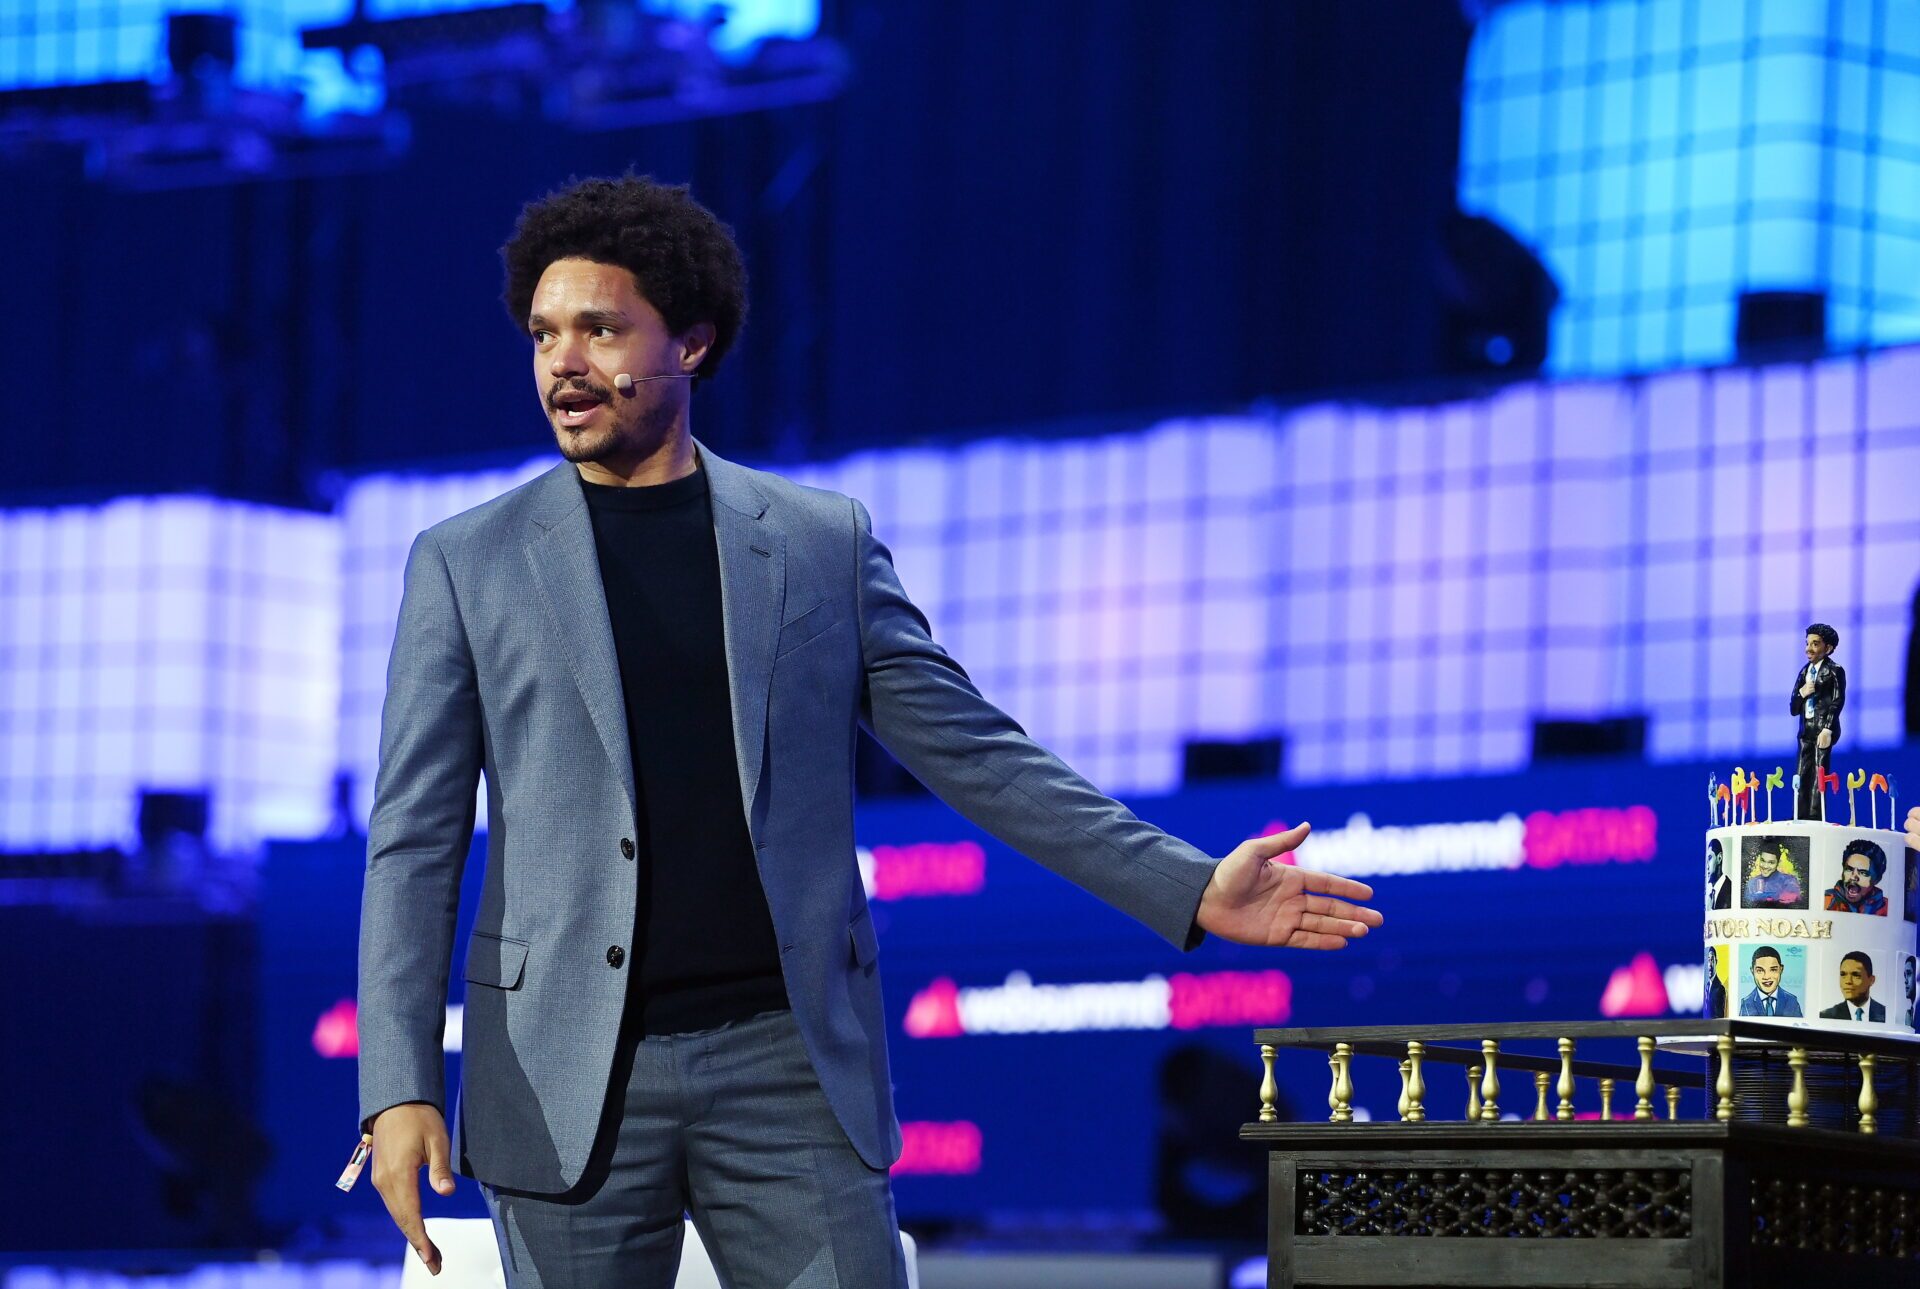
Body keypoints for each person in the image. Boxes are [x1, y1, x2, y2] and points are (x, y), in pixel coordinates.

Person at [355, 174, 1385, 1289]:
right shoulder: (467, 561)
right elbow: (412, 835)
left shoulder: (815, 543)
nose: (563, 361)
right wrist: (398, 1081)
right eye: (545, 333)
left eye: (600, 328)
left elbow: (978, 754)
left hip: (786, 1061)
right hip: (559, 1071)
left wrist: (1187, 884)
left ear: (690, 344)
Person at [1792, 624, 1845, 820]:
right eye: (1807, 643)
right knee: (1801, 773)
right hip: (1805, 732)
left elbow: (1837, 701)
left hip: (1823, 730)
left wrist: (1828, 728)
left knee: (1819, 774)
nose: (1809, 649)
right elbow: (1793, 707)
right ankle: (1799, 813)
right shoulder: (1804, 673)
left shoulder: (1834, 671)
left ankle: (1815, 815)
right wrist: (1802, 693)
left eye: (1815, 644)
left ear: (1828, 648)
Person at [1825, 839, 1889, 916]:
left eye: (1863, 873)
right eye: (1849, 869)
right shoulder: (1827, 900)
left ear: (1877, 879)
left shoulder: (1887, 909)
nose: (1853, 877)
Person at [1818, 951, 1885, 1022]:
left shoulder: (1886, 1014)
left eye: (1856, 975)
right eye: (1843, 974)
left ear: (1871, 980)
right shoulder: (1826, 1016)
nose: (1848, 981)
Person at [1737, 946, 1802, 1017]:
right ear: (1752, 971)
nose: (1767, 977)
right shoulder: (1746, 1003)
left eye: (1773, 970)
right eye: (1760, 970)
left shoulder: (1792, 1001)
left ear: (1781, 969)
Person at [1743, 842, 1802, 908]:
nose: (1765, 866)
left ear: (1778, 863)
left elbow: (1793, 903)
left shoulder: (1789, 881)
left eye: (1771, 862)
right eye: (1763, 860)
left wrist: (1760, 897)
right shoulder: (1752, 883)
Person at [1705, 838, 1731, 910]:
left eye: (1709, 858)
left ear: (1719, 858)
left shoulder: (1730, 890)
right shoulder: (1710, 896)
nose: (1707, 866)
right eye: (1706, 860)